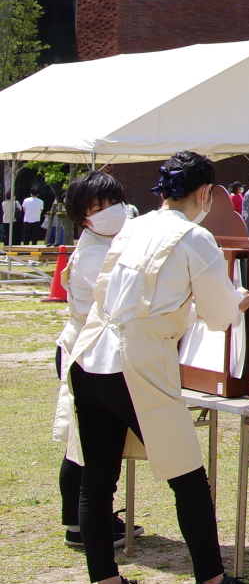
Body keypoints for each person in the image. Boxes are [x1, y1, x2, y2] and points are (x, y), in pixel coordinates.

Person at [55, 151, 249, 584]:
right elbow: (218, 314)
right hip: (137, 361)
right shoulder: (196, 236)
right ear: (206, 193)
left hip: (90, 355)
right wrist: (239, 300)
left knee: (97, 480)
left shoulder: (134, 225)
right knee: (188, 477)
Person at [56, 173, 143, 551]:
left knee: (89, 441)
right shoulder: (94, 253)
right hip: (86, 349)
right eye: (97, 208)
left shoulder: (114, 238)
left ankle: (85, 519)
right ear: (83, 217)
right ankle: (78, 522)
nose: (108, 212)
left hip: (97, 347)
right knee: (83, 441)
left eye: (112, 203)